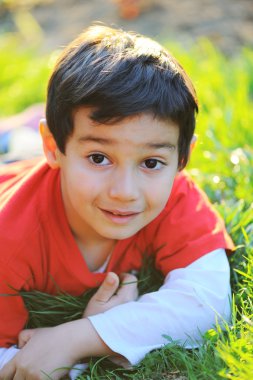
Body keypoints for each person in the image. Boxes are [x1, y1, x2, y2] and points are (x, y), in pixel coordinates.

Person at [0, 24, 234, 380]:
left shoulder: (176, 196)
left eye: (151, 163)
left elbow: (206, 302)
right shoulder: (9, 233)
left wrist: (83, 336)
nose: (125, 191)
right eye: (98, 158)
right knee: (14, 149)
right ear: (55, 147)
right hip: (16, 173)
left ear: (183, 158)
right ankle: (20, 130)